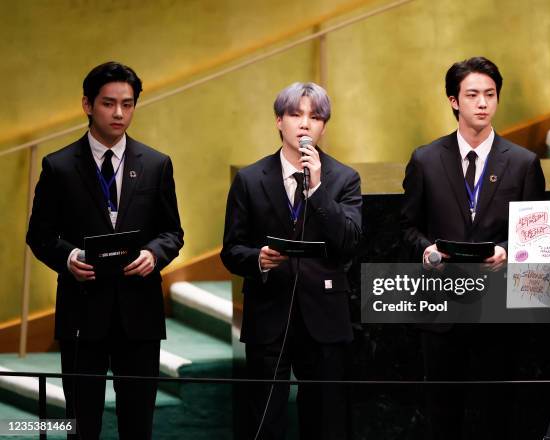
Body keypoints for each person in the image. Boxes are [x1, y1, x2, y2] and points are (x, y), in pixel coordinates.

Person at [26, 61, 183, 439]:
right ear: (87, 105)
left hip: (140, 314)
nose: (119, 113)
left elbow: (172, 232)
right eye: (109, 103)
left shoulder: (157, 164)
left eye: (127, 104)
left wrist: (155, 254)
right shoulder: (59, 166)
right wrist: (68, 257)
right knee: (80, 425)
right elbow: (40, 235)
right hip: (83, 312)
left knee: (138, 424)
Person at [400, 56, 545, 439]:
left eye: (490, 94)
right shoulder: (426, 160)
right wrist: (426, 250)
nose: (483, 103)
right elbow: (406, 226)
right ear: (454, 101)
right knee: (443, 413)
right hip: (442, 304)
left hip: (498, 309)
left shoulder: (524, 163)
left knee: (497, 414)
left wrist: (508, 251)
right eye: (473, 95)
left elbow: (537, 236)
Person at [221, 82, 362, 439]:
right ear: (278, 121)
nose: (304, 124)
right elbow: (232, 250)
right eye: (295, 115)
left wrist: (316, 189)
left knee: (325, 421)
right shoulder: (250, 180)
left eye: (315, 117)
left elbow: (348, 242)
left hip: (325, 317)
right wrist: (259, 259)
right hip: (269, 315)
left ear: (324, 127)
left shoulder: (344, 179)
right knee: (266, 419)